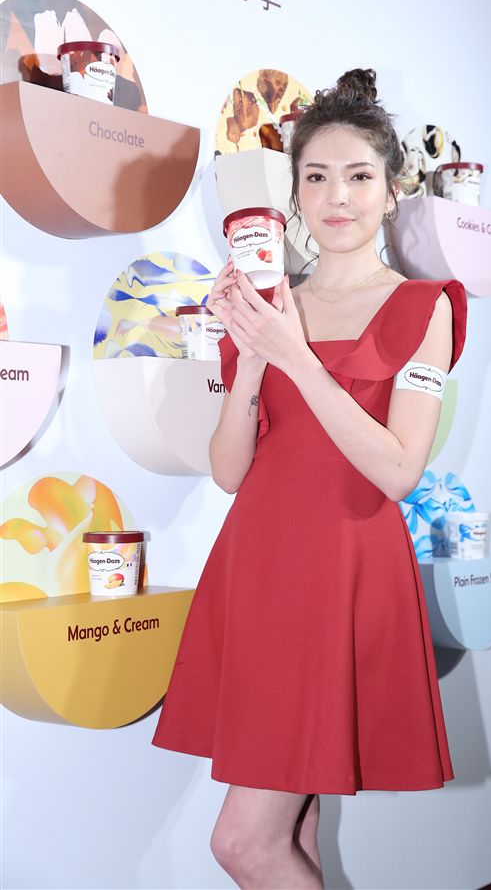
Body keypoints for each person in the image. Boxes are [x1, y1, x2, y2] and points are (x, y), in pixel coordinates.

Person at [151, 68, 467, 889]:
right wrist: (255, 356)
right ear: (293, 193)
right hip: (259, 568)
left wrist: (296, 357)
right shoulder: (272, 303)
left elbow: (398, 469)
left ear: (392, 192)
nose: (337, 197)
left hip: (343, 572)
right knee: (294, 832)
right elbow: (229, 472)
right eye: (316, 177)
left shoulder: (425, 305)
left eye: (358, 177)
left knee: (243, 844)